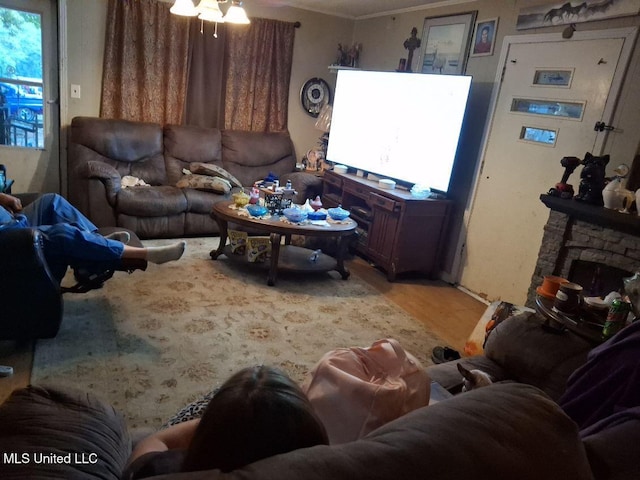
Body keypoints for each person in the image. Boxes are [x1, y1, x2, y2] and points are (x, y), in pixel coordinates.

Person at [123, 365, 329, 479]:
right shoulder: (334, 468)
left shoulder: (163, 470)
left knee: (140, 435)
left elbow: (156, 442)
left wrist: (217, 418)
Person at [0, 192, 185, 282]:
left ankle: (95, 241)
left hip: (14, 221)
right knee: (62, 233)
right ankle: (145, 254)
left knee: (53, 202)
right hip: (8, 237)